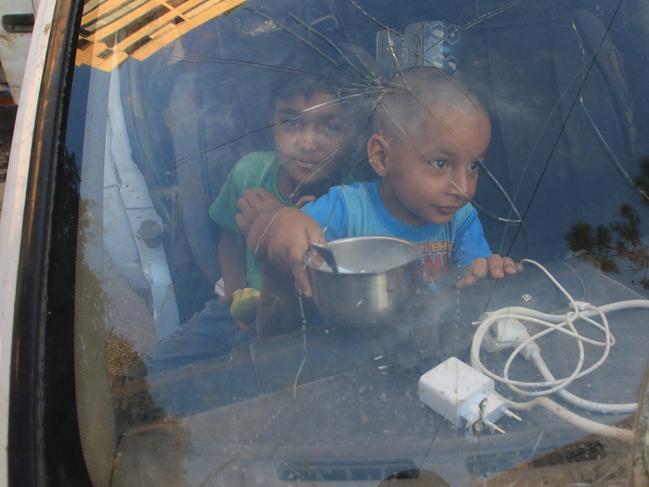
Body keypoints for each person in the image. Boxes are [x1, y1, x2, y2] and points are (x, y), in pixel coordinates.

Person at [241, 67, 522, 335]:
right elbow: (273, 242)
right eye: (440, 163)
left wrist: (487, 280)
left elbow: (471, 293)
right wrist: (277, 220)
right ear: (381, 156)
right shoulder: (344, 210)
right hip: (341, 362)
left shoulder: (461, 219)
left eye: (473, 166)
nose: (462, 188)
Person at [209, 52, 371, 310]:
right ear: (271, 121)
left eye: (331, 127)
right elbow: (229, 236)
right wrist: (235, 291)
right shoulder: (249, 173)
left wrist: (280, 219)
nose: (306, 144)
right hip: (249, 304)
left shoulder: (358, 195)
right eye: (291, 122)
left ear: (353, 133)